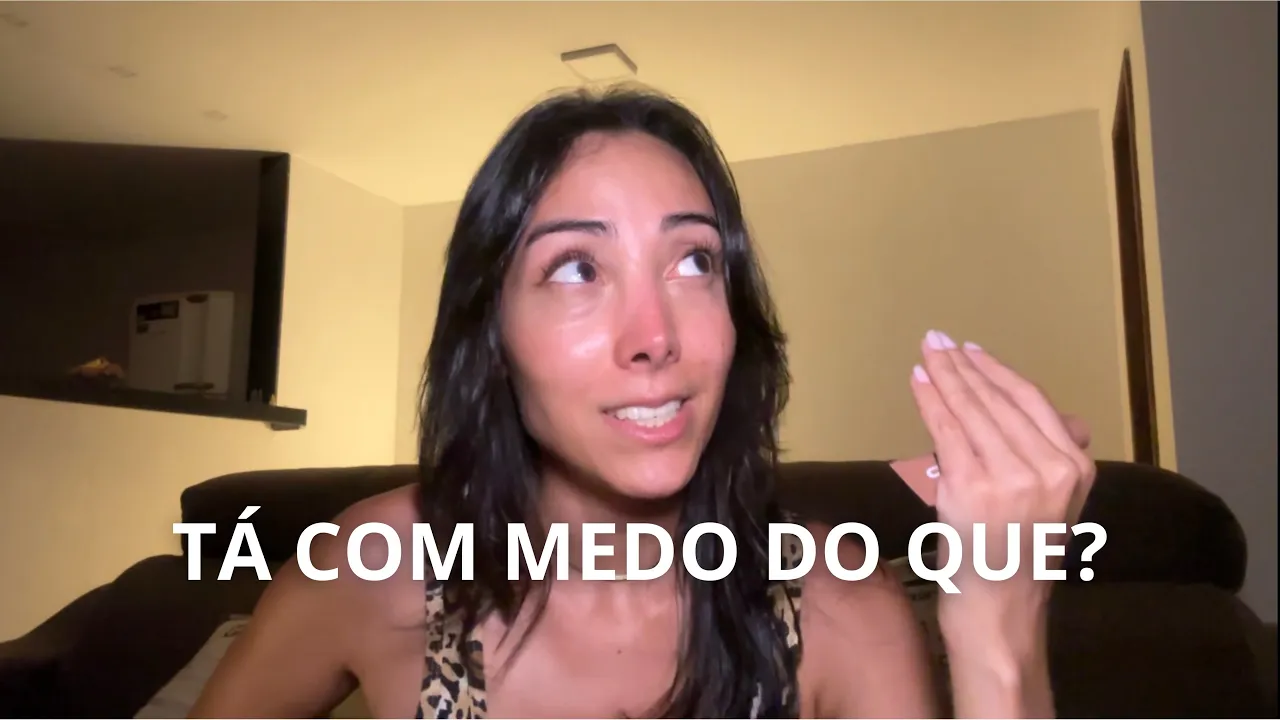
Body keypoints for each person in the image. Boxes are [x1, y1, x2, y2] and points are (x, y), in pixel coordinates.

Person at [190, 86, 1096, 719]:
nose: (654, 335)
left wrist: (999, 628)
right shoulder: (370, 569)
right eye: (576, 269)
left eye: (695, 261)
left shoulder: (839, 604)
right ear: (491, 333)